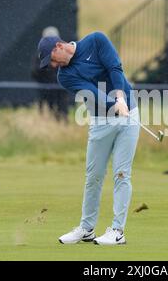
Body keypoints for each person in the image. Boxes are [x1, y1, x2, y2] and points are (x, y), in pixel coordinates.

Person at [37, 31, 140, 246]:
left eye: (52, 60)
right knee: (93, 176)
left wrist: (121, 98)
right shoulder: (64, 76)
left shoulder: (96, 40)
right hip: (101, 121)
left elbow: (115, 67)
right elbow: (92, 93)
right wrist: (114, 105)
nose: (53, 66)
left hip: (129, 114)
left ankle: (118, 231)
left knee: (122, 174)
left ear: (59, 46)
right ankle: (86, 228)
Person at [31, 26, 70, 122]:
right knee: (47, 114)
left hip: (60, 90)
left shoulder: (64, 53)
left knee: (62, 114)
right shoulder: (40, 55)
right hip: (46, 90)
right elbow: (34, 73)